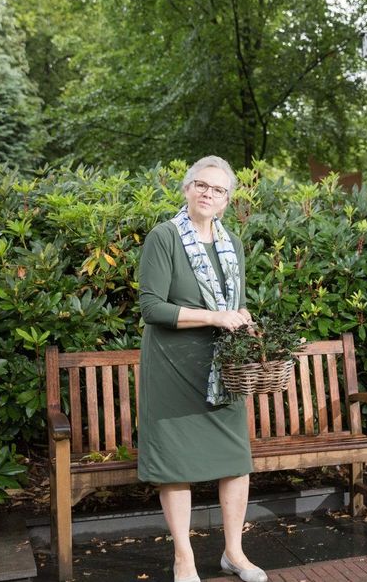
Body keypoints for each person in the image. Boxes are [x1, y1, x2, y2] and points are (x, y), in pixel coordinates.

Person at [137, 156, 268, 582]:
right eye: (201, 185)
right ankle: (184, 559)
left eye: (218, 190)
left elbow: (234, 305)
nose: (208, 194)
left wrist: (243, 319)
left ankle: (234, 552)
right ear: (187, 189)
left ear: (228, 200)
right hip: (173, 369)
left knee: (235, 461)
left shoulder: (233, 246)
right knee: (176, 464)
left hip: (222, 368)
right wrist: (214, 317)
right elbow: (152, 307)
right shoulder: (164, 237)